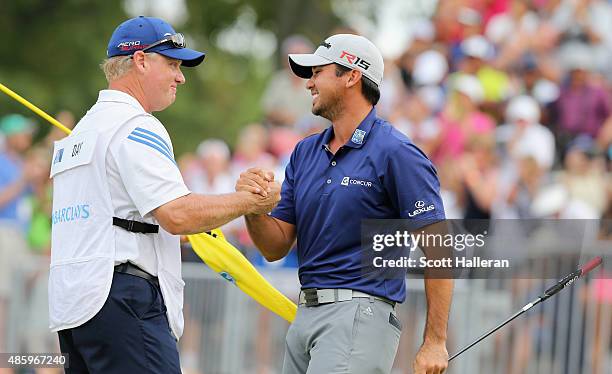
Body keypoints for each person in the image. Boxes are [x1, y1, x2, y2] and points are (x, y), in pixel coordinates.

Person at [49, 16, 280, 373]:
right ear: (140, 61)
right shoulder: (137, 125)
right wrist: (252, 200)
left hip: (75, 306)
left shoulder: (81, 133)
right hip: (122, 300)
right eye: (172, 64)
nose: (181, 76)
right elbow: (177, 215)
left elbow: (120, 218)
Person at [237, 34, 453, 374]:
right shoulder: (305, 152)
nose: (308, 83)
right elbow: (275, 246)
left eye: (317, 72)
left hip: (360, 314)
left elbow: (439, 248)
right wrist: (252, 207)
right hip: (304, 313)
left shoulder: (396, 152)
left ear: (351, 76)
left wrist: (435, 340)